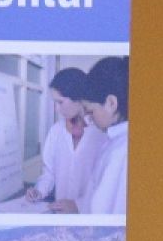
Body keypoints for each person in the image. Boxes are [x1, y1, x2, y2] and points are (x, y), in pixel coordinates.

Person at [32, 67, 105, 211]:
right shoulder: (56, 131)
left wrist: (78, 205)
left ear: (78, 99)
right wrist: (39, 191)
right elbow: (49, 173)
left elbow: (104, 185)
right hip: (59, 213)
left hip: (90, 215)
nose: (57, 109)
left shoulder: (101, 134)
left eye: (60, 102)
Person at [77, 57, 128, 216]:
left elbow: (101, 211)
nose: (88, 119)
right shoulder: (115, 141)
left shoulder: (121, 151)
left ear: (111, 103)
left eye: (90, 111)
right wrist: (77, 205)